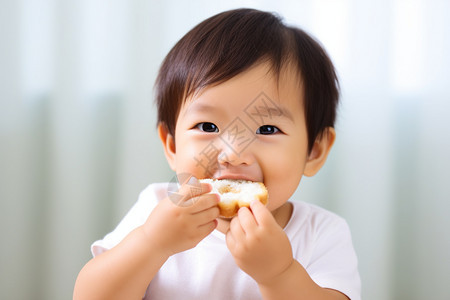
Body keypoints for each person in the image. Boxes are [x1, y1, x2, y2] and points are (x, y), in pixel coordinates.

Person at [74, 8, 361, 300]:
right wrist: (151, 243)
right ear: (171, 146)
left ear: (314, 151)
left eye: (267, 129)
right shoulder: (156, 208)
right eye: (208, 126)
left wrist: (279, 274)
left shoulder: (320, 233)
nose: (233, 154)